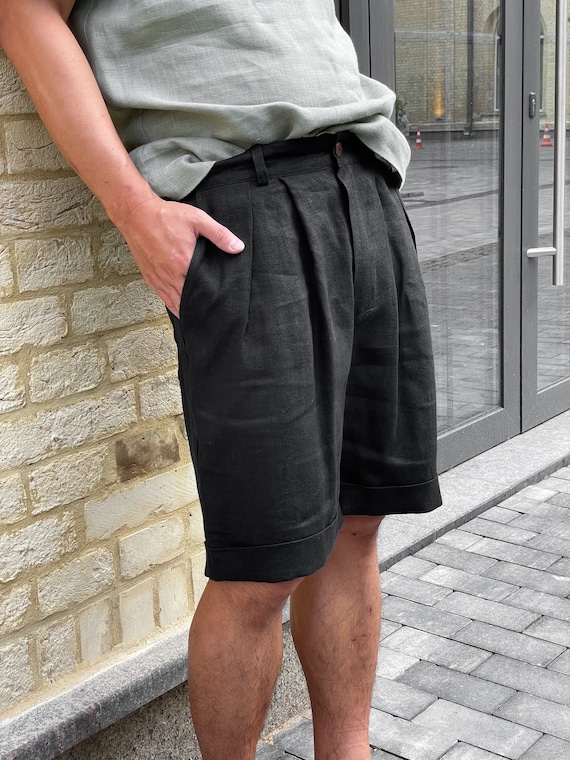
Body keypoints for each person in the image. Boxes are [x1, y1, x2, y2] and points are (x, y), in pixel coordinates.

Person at [0, 2, 442, 758]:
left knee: (359, 522)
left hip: (364, 180)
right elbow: (24, 13)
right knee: (262, 564)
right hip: (245, 203)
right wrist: (135, 211)